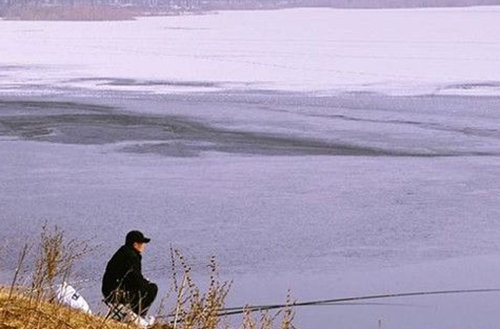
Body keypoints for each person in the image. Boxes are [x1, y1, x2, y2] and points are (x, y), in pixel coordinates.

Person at [102, 230, 158, 317]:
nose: (144, 246)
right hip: (115, 293)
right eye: (142, 243)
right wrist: (147, 283)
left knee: (144, 287)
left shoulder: (123, 251)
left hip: (108, 290)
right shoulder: (132, 257)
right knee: (152, 289)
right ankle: (138, 316)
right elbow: (135, 279)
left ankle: (132, 314)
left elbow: (130, 277)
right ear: (135, 244)